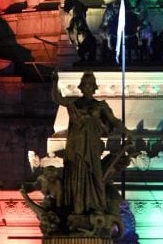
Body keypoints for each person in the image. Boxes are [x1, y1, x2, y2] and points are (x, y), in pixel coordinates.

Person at [52, 70, 134, 217]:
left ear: (95, 87)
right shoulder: (74, 103)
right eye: (85, 84)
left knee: (96, 174)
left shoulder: (100, 106)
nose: (88, 87)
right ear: (81, 86)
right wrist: (54, 82)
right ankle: (77, 207)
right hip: (76, 145)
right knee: (77, 174)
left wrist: (127, 131)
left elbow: (114, 121)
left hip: (92, 145)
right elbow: (58, 99)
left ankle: (97, 206)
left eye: (91, 84)